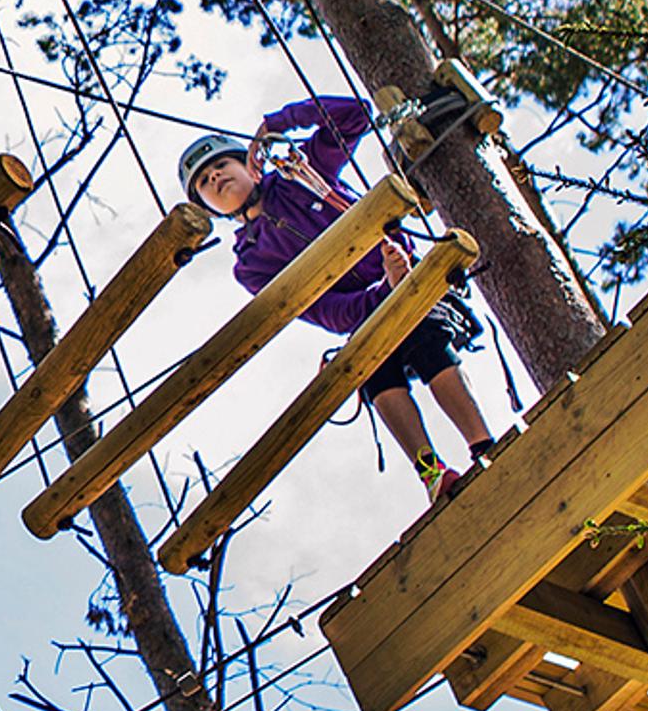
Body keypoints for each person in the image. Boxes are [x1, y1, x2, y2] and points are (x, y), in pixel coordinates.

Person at [186, 94, 499, 501]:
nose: (214, 177)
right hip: (368, 312)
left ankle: (483, 445)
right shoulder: (251, 264)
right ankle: (431, 474)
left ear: (248, 163)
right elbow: (325, 312)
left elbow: (354, 115)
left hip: (413, 286)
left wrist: (278, 121)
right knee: (371, 369)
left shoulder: (302, 173)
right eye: (204, 181)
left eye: (221, 166)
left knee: (425, 340)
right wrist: (383, 290)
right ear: (209, 207)